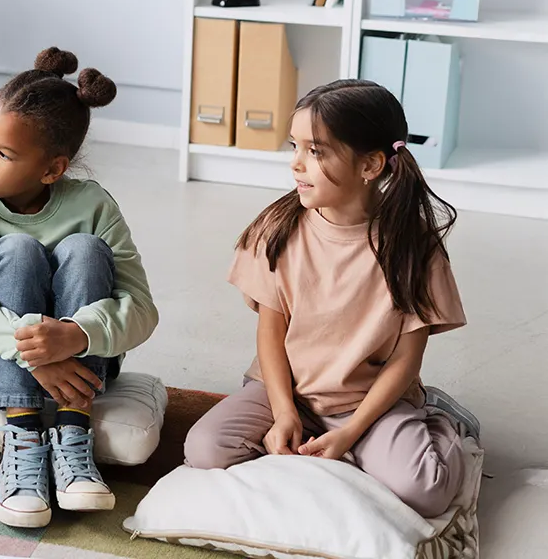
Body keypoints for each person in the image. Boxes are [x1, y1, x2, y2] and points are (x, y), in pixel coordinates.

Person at [183, 79, 477, 518]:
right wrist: (285, 413)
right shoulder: (278, 229)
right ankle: (337, 446)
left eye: (316, 152)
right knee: (205, 449)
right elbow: (270, 335)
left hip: (370, 402)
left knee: (426, 490)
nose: (296, 165)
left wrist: (354, 430)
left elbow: (405, 360)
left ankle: (444, 422)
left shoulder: (413, 248)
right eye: (295, 147)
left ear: (371, 164)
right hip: (284, 390)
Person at [0, 47, 157, 528]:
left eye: (2, 153)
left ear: (52, 169)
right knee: (17, 251)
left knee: (87, 249)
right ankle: (23, 439)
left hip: (78, 365)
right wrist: (36, 352)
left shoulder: (94, 205)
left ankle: (73, 432)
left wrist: (77, 334)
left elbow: (142, 309)